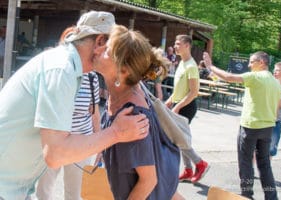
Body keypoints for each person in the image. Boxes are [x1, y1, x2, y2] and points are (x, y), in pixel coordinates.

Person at [0, 11, 149, 199]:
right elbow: (55, 154)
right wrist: (116, 133)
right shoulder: (63, 69)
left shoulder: (69, 67)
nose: (119, 60)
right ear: (100, 43)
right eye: (117, 51)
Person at [95, 24, 183, 200]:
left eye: (107, 50)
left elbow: (148, 180)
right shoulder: (125, 91)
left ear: (124, 71)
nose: (98, 50)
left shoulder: (133, 115)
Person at [203, 51, 281, 200]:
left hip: (250, 126)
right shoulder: (275, 82)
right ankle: (272, 196)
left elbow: (229, 77)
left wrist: (210, 66)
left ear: (262, 62)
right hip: (268, 127)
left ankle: (247, 195)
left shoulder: (255, 77)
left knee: (245, 162)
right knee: (264, 164)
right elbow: (276, 107)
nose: (249, 65)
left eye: (252, 62)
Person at [36, 70, 101, 200]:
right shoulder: (54, 72)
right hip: (53, 142)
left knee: (74, 194)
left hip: (81, 144)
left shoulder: (91, 77)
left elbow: (95, 114)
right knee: (43, 192)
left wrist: (100, 146)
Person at [165, 35, 209, 184]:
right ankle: (188, 170)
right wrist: (169, 101)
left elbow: (193, 92)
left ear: (187, 46)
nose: (175, 46)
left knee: (180, 139)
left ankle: (200, 164)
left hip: (186, 107)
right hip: (178, 104)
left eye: (178, 44)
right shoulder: (182, 63)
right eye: (175, 43)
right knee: (180, 139)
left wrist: (177, 107)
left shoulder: (191, 66)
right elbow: (179, 89)